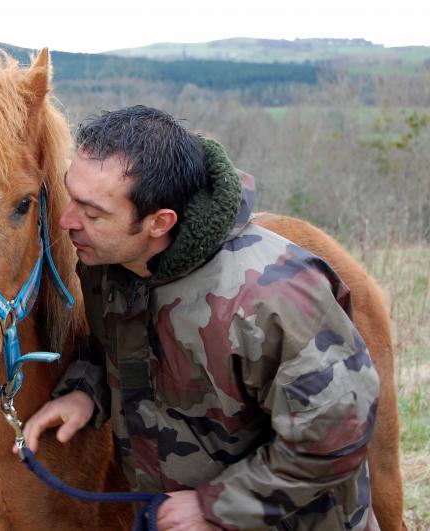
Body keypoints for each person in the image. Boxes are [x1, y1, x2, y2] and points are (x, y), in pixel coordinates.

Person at [21, 106, 380, 530]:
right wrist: (85, 392)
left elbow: (336, 435)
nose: (66, 223)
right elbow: (118, 350)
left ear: (159, 222)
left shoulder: (272, 296)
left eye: (92, 212)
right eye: (70, 197)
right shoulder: (109, 265)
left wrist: (217, 507)